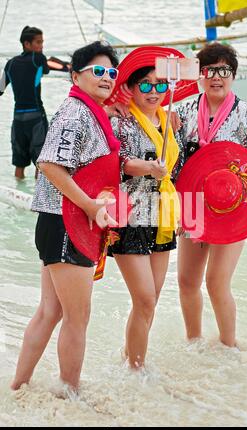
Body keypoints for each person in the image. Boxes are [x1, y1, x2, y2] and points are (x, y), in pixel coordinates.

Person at [11, 41, 121, 393]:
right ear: (75, 76)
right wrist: (90, 205)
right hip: (67, 222)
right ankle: (69, 391)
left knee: (50, 312)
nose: (107, 78)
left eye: (112, 73)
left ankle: (18, 387)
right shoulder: (76, 113)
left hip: (57, 221)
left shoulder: (92, 111)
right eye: (98, 71)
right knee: (77, 316)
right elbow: (49, 165)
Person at [174, 42, 247, 347]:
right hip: (192, 202)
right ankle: (194, 343)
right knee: (187, 281)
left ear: (233, 75)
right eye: (210, 70)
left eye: (223, 70)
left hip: (233, 205)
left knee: (217, 283)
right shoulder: (183, 111)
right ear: (200, 75)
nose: (216, 76)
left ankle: (229, 347)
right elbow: (173, 161)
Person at [105, 46, 197, 369]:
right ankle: (137, 370)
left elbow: (181, 164)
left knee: (151, 301)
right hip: (129, 215)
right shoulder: (120, 119)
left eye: (160, 85)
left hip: (162, 215)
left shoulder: (170, 119)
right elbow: (115, 164)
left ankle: (130, 358)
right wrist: (147, 168)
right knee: (144, 298)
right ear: (130, 88)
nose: (154, 92)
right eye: (145, 85)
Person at [0, 26, 50, 179]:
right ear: (27, 44)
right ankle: (37, 199)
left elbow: (0, 89)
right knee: (41, 164)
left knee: (19, 164)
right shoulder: (38, 59)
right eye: (38, 42)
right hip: (36, 118)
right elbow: (47, 69)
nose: (41, 46)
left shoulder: (10, 63)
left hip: (18, 120)